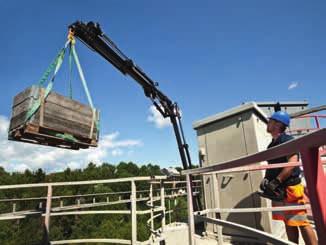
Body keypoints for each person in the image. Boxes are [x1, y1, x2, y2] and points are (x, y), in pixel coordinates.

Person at [259, 111, 317, 245]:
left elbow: (291, 164)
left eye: (270, 121)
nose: (268, 124)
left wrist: (276, 181)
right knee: (288, 221)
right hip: (279, 189)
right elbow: (273, 166)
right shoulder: (271, 144)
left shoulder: (287, 140)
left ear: (278, 124)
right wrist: (267, 179)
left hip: (290, 188)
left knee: (301, 221)